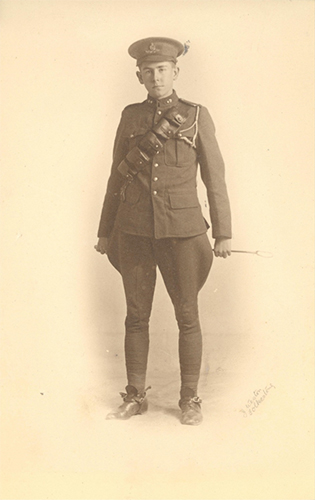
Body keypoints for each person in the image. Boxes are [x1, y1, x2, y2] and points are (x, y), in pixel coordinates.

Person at [95, 37, 232, 425]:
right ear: (139, 76)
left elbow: (215, 178)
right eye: (148, 71)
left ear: (175, 72)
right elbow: (115, 178)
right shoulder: (130, 116)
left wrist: (223, 232)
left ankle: (190, 400)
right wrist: (105, 231)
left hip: (183, 232)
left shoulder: (195, 115)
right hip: (134, 229)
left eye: (162, 70)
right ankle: (136, 396)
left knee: (187, 316)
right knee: (136, 316)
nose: (156, 77)